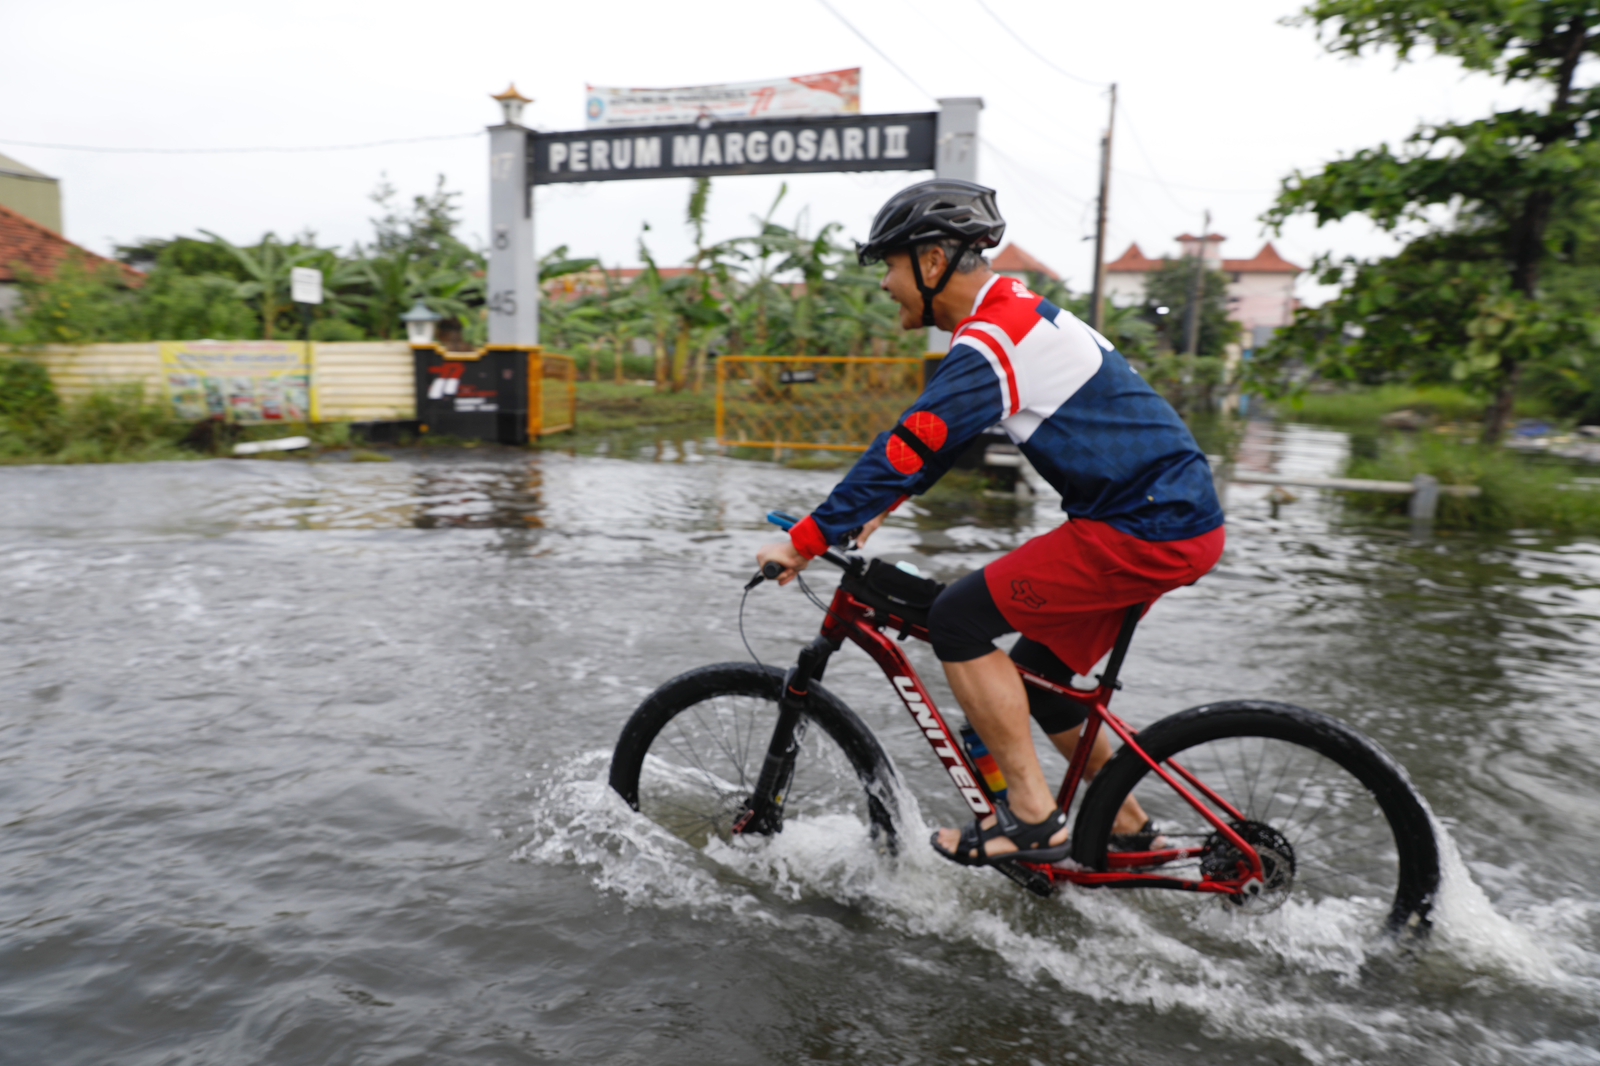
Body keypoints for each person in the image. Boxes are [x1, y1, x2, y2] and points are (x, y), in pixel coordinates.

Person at [756, 180, 1225, 865]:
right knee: (1044, 681)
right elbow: (947, 440)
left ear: (935, 259)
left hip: (1144, 526)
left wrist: (805, 540)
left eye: (891, 265)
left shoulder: (994, 339)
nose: (886, 284)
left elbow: (909, 442)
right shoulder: (1013, 319)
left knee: (958, 620)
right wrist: (880, 508)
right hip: (1170, 519)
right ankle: (1129, 827)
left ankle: (1034, 821)